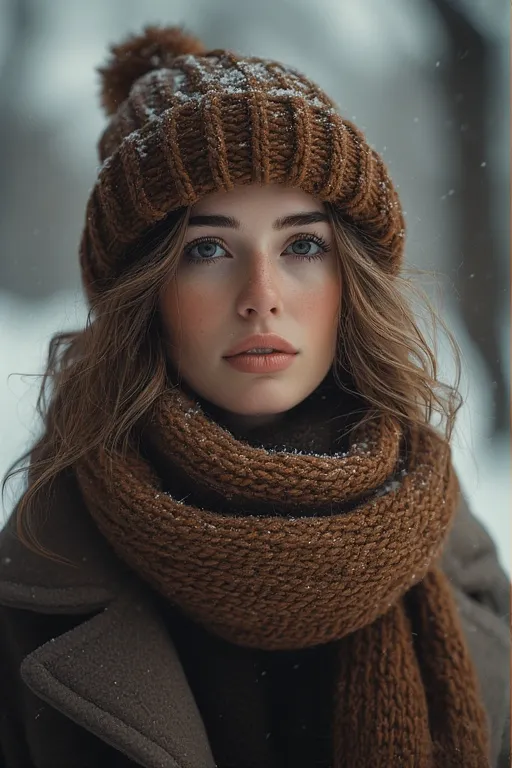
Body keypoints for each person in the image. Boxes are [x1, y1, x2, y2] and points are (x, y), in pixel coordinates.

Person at [0, 25, 509, 768]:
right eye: (207, 249)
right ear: (142, 291)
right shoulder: (43, 572)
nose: (261, 297)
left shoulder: (452, 550)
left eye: (303, 245)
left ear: (351, 279)